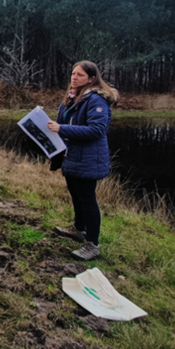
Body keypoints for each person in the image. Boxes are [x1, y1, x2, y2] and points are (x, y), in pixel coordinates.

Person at [46, 61, 117, 261]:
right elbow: (63, 123)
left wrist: (61, 129)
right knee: (76, 195)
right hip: (72, 156)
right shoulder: (71, 98)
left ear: (92, 79)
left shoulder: (96, 100)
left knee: (87, 199)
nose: (74, 77)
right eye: (73, 73)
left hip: (88, 159)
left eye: (80, 75)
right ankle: (79, 228)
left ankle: (92, 244)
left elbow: (96, 130)